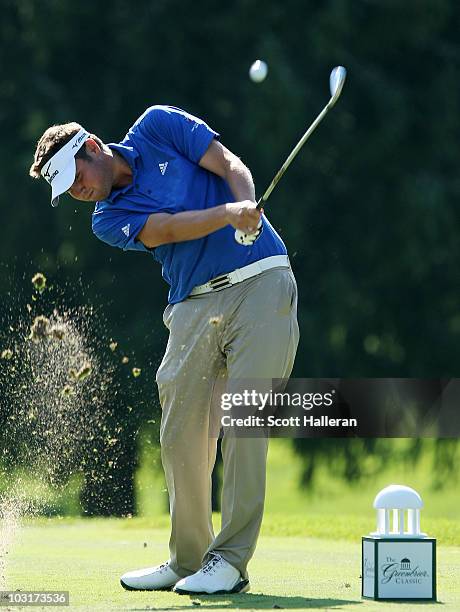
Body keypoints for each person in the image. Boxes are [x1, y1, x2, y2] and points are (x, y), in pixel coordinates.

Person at [29, 105, 299, 595]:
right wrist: (227, 215)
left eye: (76, 177)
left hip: (261, 282)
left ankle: (231, 561)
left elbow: (230, 164)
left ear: (91, 146)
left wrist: (247, 212)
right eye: (67, 188)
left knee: (244, 423)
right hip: (193, 304)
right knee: (179, 434)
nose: (77, 191)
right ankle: (188, 559)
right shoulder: (107, 218)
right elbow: (169, 229)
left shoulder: (158, 125)